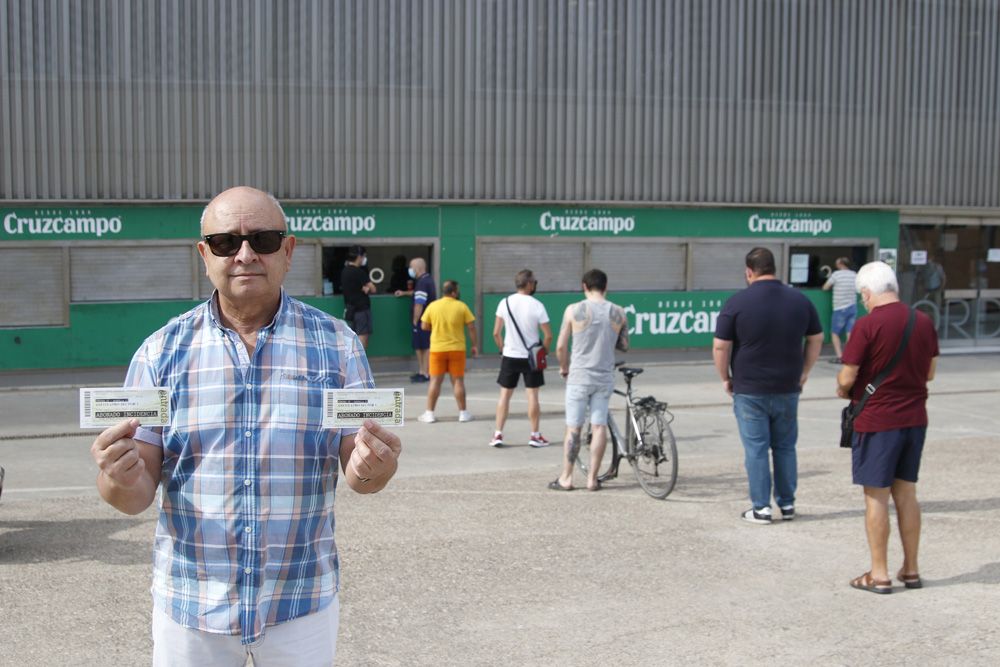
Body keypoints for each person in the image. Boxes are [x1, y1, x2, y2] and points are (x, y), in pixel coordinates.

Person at [88, 187, 401, 665]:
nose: (245, 255)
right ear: (203, 255)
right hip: (192, 608)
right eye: (225, 243)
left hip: (301, 603)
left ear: (289, 250)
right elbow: (132, 496)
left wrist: (374, 466)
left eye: (264, 239)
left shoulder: (337, 346)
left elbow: (361, 476)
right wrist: (117, 477)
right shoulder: (160, 353)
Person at [836, 261, 939, 594]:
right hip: (914, 419)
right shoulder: (923, 321)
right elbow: (930, 372)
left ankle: (879, 574)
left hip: (877, 421)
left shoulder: (867, 325)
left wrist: (842, 389)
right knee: (906, 493)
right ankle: (911, 569)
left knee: (876, 496)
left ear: (867, 292)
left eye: (862, 296)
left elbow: (848, 377)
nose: (863, 301)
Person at [712, 247, 823, 524]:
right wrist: (805, 372)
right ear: (775, 269)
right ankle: (787, 505)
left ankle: (761, 508)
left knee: (757, 449)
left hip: (749, 388)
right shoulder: (800, 300)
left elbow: (720, 346)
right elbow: (816, 338)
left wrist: (725, 377)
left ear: (749, 272)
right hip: (788, 386)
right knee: (785, 447)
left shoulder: (737, 302)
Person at [550, 269, 629, 492]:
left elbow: (560, 346)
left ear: (584, 286)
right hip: (604, 376)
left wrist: (564, 367)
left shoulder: (573, 310)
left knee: (574, 428)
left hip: (579, 376)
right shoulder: (619, 312)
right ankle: (592, 479)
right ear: (606, 286)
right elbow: (624, 345)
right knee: (599, 425)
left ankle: (566, 478)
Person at [491, 269, 553, 448]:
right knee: (532, 395)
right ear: (528, 284)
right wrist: (544, 351)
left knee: (504, 395)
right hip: (531, 357)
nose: (534, 285)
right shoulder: (537, 305)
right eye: (533, 282)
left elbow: (496, 333)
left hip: (510, 355)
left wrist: (503, 349)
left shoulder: (505, 303)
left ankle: (498, 434)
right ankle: (535, 435)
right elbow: (548, 335)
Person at [416, 280, 478, 423]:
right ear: (454, 292)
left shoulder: (433, 306)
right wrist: (474, 345)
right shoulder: (462, 306)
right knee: (458, 381)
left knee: (435, 381)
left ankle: (429, 414)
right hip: (457, 349)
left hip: (438, 349)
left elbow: (424, 326)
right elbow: (471, 327)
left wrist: (438, 328)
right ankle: (463, 413)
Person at [395, 257, 435, 382]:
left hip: (422, 321)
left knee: (424, 346)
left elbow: (419, 303)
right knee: (421, 346)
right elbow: (417, 294)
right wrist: (404, 293)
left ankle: (425, 373)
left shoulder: (422, 283)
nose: (410, 270)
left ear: (417, 268)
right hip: (426, 321)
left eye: (411, 267)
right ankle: (422, 371)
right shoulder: (426, 280)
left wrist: (415, 320)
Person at [823, 257, 858, 363]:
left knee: (835, 333)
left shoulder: (836, 275)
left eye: (837, 263)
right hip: (852, 306)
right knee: (849, 332)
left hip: (840, 308)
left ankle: (840, 356)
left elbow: (825, 287)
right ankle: (849, 356)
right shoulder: (854, 275)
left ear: (841, 264)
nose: (835, 264)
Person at [340, 244, 375, 349]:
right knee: (362, 337)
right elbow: (373, 288)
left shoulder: (344, 271)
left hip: (351, 310)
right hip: (362, 310)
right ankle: (360, 363)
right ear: (359, 257)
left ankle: (354, 361)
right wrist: (367, 288)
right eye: (364, 256)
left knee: (354, 337)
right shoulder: (359, 272)